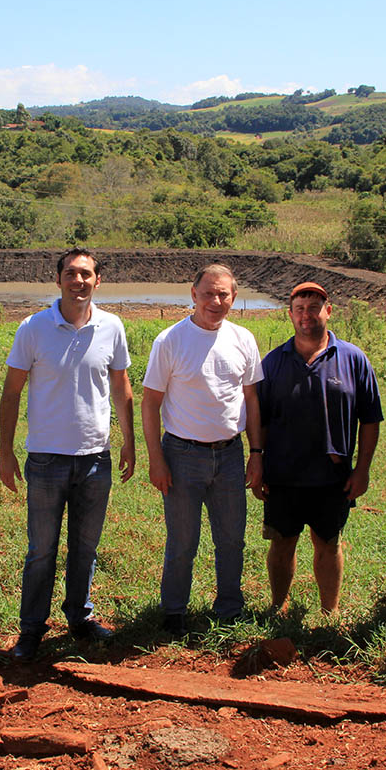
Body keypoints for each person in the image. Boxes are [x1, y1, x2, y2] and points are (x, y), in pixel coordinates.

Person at [0, 248, 136, 661]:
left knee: (85, 547)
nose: (79, 281)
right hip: (46, 460)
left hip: (95, 458)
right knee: (41, 551)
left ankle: (79, 617)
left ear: (98, 281)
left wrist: (129, 441)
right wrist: (5, 452)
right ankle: (31, 630)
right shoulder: (34, 328)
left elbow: (121, 387)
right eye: (71, 273)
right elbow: (11, 392)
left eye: (86, 274)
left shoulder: (112, 327)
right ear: (58, 279)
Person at [142, 264, 263, 637]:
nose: (215, 301)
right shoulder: (170, 340)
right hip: (182, 455)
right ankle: (174, 611)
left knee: (232, 539)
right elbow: (150, 403)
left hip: (230, 455)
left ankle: (229, 608)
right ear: (193, 294)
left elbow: (251, 400)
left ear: (233, 298)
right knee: (183, 541)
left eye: (223, 294)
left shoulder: (243, 339)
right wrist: (156, 459)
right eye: (208, 293)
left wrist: (256, 452)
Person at [254, 282, 382, 615]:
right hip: (283, 475)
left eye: (314, 307)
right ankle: (277, 605)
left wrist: (363, 469)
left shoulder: (353, 359)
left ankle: (330, 611)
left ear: (329, 311)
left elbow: (370, 419)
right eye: (299, 309)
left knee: (328, 542)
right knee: (282, 542)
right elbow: (261, 421)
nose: (306, 315)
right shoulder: (274, 362)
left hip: (332, 476)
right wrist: (259, 462)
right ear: (290, 314)